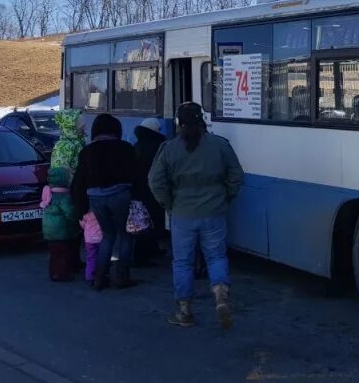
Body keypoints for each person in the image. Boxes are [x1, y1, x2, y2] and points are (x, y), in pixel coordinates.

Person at [149, 102, 244, 329]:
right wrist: (225, 198)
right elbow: (236, 176)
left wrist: (169, 204)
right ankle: (220, 295)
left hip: (182, 213)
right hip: (214, 211)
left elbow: (155, 182)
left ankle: (184, 311)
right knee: (216, 256)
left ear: (179, 123)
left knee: (182, 262)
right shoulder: (220, 145)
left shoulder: (169, 149)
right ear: (202, 120)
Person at [71, 113, 140, 290]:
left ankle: (99, 277)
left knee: (107, 235)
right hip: (121, 195)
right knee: (125, 235)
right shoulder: (125, 147)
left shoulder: (87, 151)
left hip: (96, 198)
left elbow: (78, 182)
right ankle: (122, 277)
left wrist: (81, 210)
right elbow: (137, 175)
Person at [132, 117, 167, 266]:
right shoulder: (159, 146)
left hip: (139, 189)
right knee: (152, 220)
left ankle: (149, 249)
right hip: (152, 189)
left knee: (143, 221)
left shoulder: (137, 144)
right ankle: (143, 254)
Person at [41, 167, 82, 282]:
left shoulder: (48, 193)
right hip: (62, 231)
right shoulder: (64, 197)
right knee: (64, 253)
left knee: (54, 254)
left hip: (49, 230)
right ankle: (62, 274)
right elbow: (70, 213)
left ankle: (53, 273)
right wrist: (77, 222)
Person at [80, 210, 102, 284]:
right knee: (101, 257)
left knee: (90, 258)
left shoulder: (85, 214)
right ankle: (100, 276)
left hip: (89, 240)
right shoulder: (101, 212)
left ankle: (89, 276)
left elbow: (82, 225)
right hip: (100, 239)